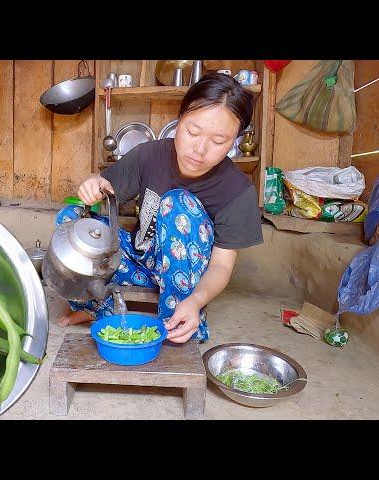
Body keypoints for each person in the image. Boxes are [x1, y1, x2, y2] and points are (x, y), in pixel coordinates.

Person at [55, 72, 263, 343]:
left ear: (236, 139)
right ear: (179, 119)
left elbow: (221, 267)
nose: (200, 148)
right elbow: (104, 189)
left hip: (186, 281)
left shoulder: (237, 191)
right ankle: (97, 309)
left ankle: (177, 320)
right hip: (137, 263)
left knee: (177, 203)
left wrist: (197, 300)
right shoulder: (149, 155)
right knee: (70, 221)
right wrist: (93, 182)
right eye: (192, 131)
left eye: (219, 141)